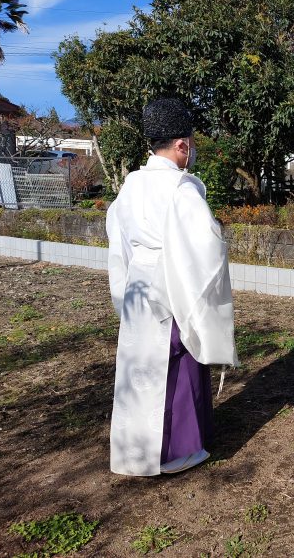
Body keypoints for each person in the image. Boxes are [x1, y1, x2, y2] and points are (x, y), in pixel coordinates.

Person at [105, 98, 238, 476]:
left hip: (138, 285)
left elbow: (118, 237)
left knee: (140, 367)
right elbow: (205, 246)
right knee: (178, 363)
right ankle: (175, 451)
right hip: (171, 283)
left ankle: (136, 449)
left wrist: (126, 288)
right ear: (182, 145)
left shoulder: (130, 185)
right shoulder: (182, 188)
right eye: (192, 143)